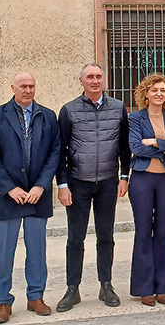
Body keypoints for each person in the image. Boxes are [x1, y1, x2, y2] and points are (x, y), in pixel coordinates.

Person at [0, 73, 61, 324]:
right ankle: (3, 301)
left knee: (37, 250)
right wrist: (10, 189)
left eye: (31, 86)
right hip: (6, 197)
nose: (28, 90)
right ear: (13, 88)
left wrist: (41, 186)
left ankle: (36, 297)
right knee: (3, 253)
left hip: (37, 196)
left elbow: (55, 153)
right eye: (23, 86)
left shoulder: (48, 116)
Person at [55, 63, 131, 311]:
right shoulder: (69, 110)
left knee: (106, 236)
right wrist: (62, 184)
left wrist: (124, 176)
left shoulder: (118, 108)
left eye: (99, 76)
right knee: (75, 238)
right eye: (90, 77)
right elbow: (60, 150)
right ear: (82, 81)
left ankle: (105, 284)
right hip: (77, 182)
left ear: (104, 80)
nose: (95, 80)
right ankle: (72, 288)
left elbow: (124, 145)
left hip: (108, 181)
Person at [127, 73, 165, 306]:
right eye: (154, 90)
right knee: (143, 232)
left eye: (163, 90)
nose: (159, 93)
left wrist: (154, 142)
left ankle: (162, 287)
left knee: (162, 231)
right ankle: (144, 288)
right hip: (142, 180)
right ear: (146, 93)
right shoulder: (135, 118)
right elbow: (135, 148)